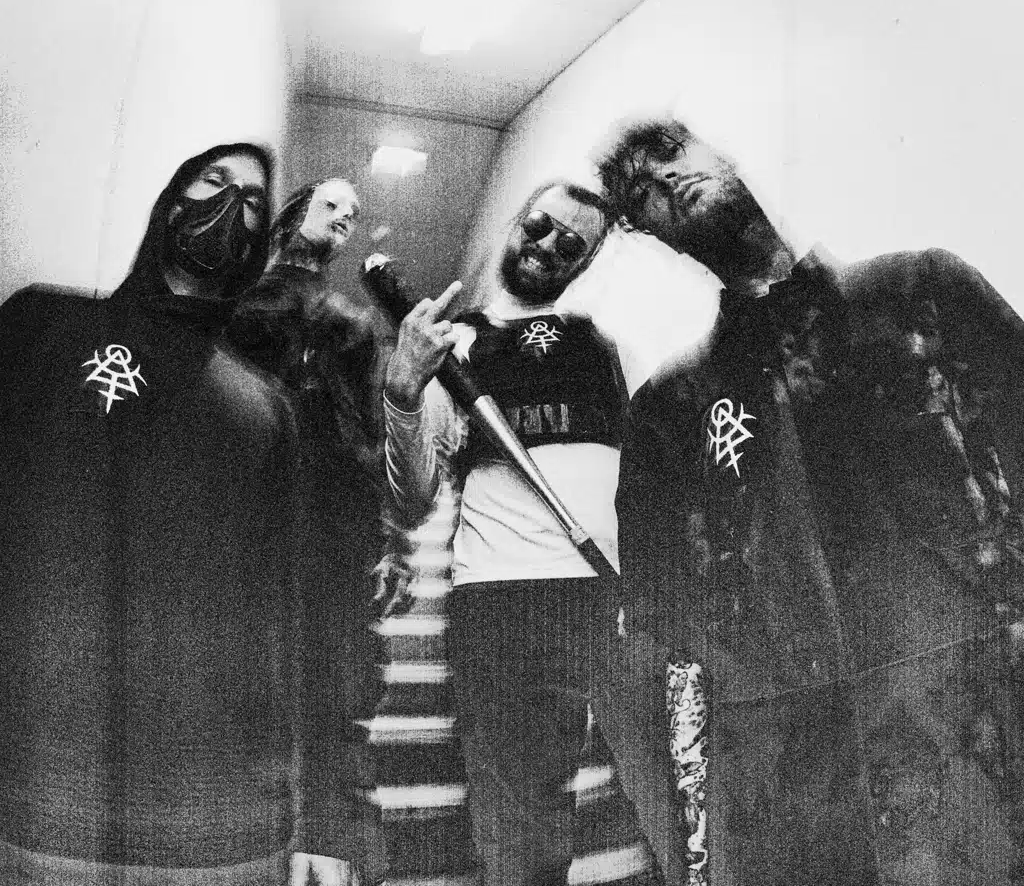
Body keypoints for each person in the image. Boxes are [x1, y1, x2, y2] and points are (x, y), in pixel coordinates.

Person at [596, 118, 1024, 885]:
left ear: (721, 152)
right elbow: (663, 615)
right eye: (640, 192)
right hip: (803, 781)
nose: (665, 179)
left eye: (670, 152)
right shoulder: (670, 406)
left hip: (984, 718)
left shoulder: (919, 290)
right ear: (644, 231)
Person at [0, 144, 309, 885]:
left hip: (207, 810)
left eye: (253, 202)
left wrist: (308, 807)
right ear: (170, 201)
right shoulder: (43, 326)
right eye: (213, 181)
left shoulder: (264, 406)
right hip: (37, 790)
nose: (230, 204)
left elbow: (282, 609)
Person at [382, 182, 633, 886]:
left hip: (603, 592)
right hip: (500, 599)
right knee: (520, 815)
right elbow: (413, 498)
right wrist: (403, 392)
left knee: (638, 785)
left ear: (585, 262)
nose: (547, 246)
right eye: (540, 225)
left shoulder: (605, 346)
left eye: (570, 243)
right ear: (516, 222)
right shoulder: (456, 343)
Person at [227, 177, 414, 886]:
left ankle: (328, 849)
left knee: (337, 683)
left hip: (334, 521)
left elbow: (366, 430)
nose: (345, 217)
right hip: (249, 519)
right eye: (331, 205)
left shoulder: (350, 321)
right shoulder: (240, 306)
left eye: (354, 214)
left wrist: (393, 537)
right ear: (291, 215)